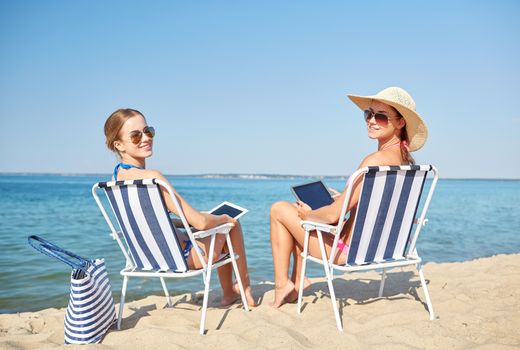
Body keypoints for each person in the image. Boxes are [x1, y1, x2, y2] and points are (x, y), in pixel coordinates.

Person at [269, 86, 428, 307]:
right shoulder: (403, 163)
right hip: (382, 249)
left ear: (401, 123)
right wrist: (344, 197)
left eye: (380, 116)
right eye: (368, 114)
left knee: (280, 209)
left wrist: (309, 214)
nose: (371, 120)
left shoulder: (374, 162)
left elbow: (333, 217)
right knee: (302, 217)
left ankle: (282, 286)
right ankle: (296, 282)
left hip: (347, 252)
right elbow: (375, 205)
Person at [103, 108, 256, 307]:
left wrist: (185, 222)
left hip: (149, 259)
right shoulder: (152, 178)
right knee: (231, 224)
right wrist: (223, 218)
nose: (146, 138)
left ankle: (229, 294)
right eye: (135, 135)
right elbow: (200, 222)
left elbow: (148, 221)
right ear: (119, 145)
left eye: (148, 131)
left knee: (213, 224)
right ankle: (243, 289)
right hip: (182, 258)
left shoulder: (117, 180)